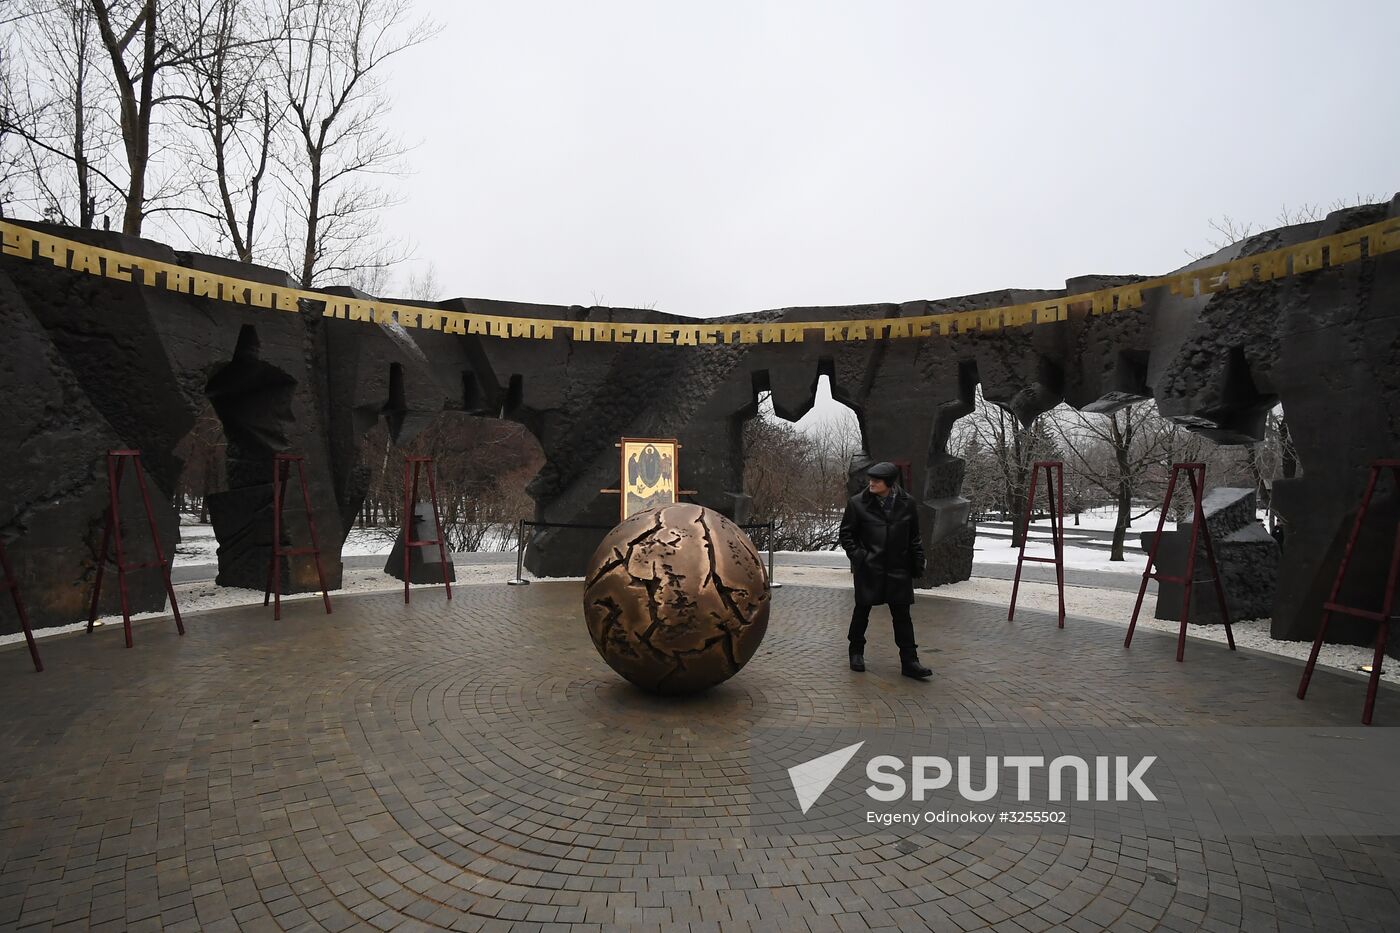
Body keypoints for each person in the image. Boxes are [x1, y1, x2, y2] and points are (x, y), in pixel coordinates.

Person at [838, 461, 932, 679]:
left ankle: (910, 661)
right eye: (870, 479)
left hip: (898, 568)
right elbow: (846, 534)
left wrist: (917, 562)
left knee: (902, 616)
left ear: (889, 483)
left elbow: (914, 536)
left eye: (876, 480)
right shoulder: (857, 503)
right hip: (869, 568)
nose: (871, 483)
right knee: (862, 611)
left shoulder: (907, 503)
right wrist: (860, 557)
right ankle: (856, 652)